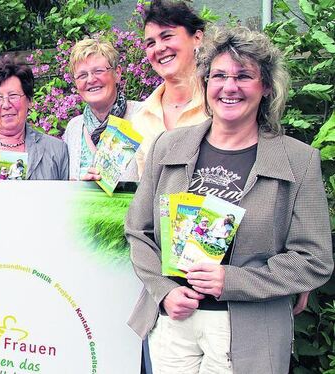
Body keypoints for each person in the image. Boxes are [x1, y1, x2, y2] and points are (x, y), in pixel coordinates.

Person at [125, 26, 333, 373]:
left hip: (249, 331)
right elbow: (138, 232)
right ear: (205, 83)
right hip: (175, 323)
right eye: (219, 75)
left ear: (265, 86)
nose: (229, 86)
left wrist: (233, 281)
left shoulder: (298, 160)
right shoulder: (167, 146)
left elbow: (314, 259)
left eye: (244, 76)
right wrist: (163, 290)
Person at [132, 0, 209, 178]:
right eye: (150, 43)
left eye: (167, 36)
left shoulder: (219, 105)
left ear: (197, 38)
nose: (159, 48)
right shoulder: (142, 117)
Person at [62, 38, 142, 180]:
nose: (91, 80)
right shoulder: (73, 128)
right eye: (82, 75)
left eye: (98, 71)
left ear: (117, 73)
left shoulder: (142, 116)